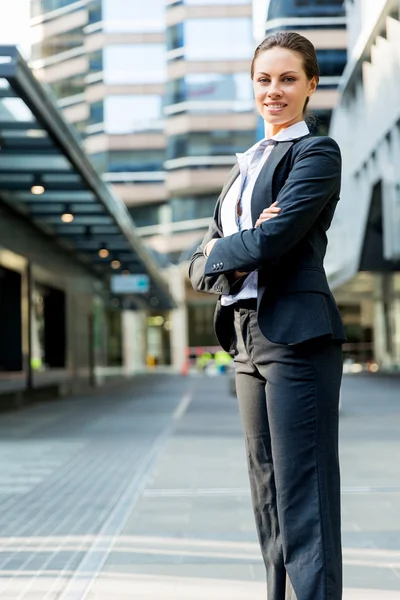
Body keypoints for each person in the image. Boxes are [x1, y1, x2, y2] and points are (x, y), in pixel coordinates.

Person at [189, 31, 346, 600]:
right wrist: (241, 242)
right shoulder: (242, 170)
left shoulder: (314, 153)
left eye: (286, 79)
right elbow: (195, 267)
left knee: (305, 495)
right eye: (263, 79)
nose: (273, 90)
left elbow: (273, 241)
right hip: (245, 337)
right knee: (268, 493)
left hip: (297, 338)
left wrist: (234, 245)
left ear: (310, 85)